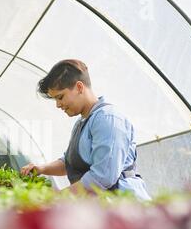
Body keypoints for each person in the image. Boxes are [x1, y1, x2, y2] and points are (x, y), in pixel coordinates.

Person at [21, 59, 151, 201]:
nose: (58, 105)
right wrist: (41, 169)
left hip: (125, 206)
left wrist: (59, 198)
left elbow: (102, 177)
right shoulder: (83, 121)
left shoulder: (107, 119)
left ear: (79, 87)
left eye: (60, 97)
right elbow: (70, 163)